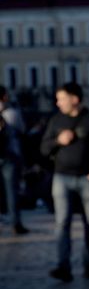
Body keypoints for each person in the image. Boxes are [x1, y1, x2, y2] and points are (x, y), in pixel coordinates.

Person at [40, 82, 89, 282]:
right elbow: (44, 149)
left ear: (75, 99)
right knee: (62, 223)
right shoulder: (56, 120)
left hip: (86, 178)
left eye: (61, 98)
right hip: (61, 177)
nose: (58, 102)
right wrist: (57, 141)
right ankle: (64, 267)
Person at [0, 85, 29, 234]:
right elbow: (22, 131)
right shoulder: (11, 113)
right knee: (12, 191)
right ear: (4, 96)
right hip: (10, 155)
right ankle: (15, 223)